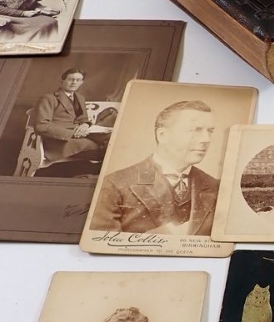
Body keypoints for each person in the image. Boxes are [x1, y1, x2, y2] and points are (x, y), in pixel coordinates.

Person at [90, 100, 219, 235]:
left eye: (210, 131)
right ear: (162, 135)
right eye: (194, 130)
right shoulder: (114, 183)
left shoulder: (215, 186)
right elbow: (102, 244)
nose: (206, 139)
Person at [30, 68, 109, 163]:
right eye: (71, 79)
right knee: (97, 148)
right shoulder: (49, 98)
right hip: (59, 140)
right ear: (62, 81)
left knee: (110, 138)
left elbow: (83, 118)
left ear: (81, 82)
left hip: (80, 135)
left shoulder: (80, 98)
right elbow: (41, 125)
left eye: (78, 80)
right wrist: (72, 134)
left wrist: (85, 125)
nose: (74, 83)